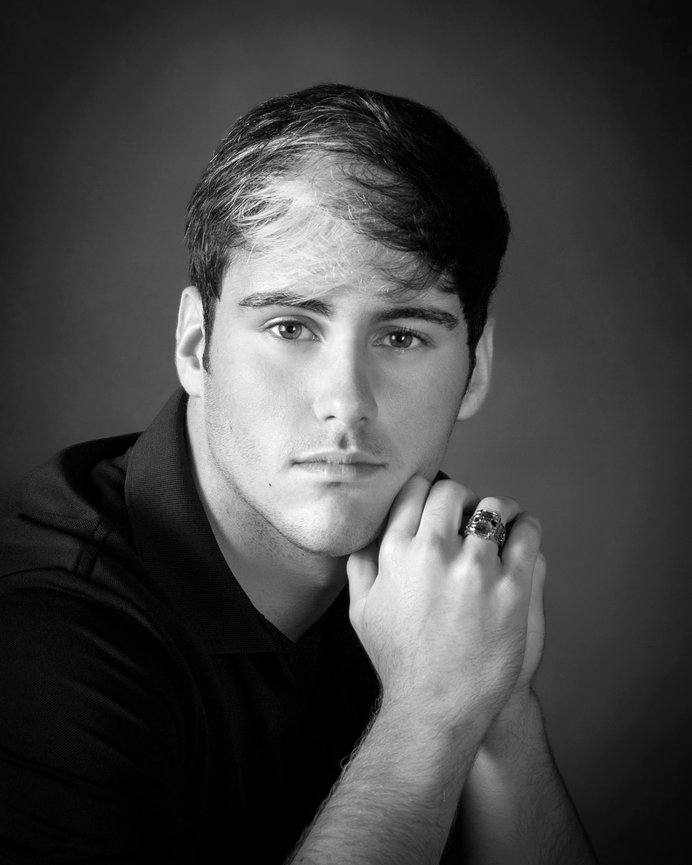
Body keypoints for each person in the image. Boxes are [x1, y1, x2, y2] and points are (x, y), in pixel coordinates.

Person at [0, 83, 597, 864]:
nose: (345, 402)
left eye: (404, 336)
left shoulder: (444, 589)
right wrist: (429, 712)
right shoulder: (42, 637)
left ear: (475, 368)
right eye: (290, 326)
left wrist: (500, 697)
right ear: (194, 346)